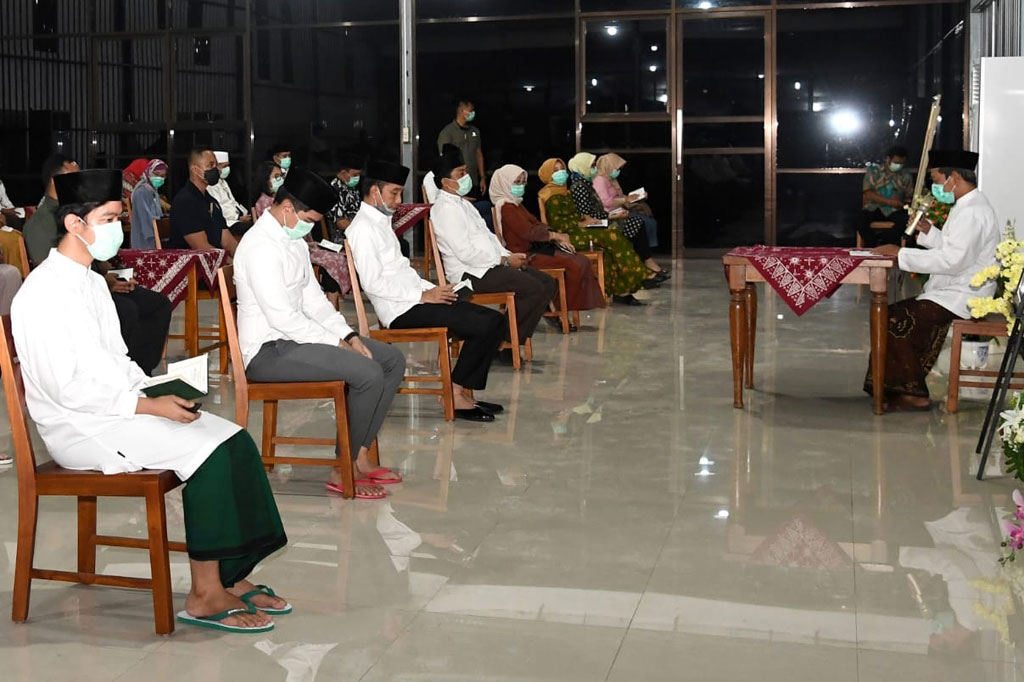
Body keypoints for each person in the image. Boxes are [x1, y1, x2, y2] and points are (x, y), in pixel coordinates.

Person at [12, 169, 289, 633]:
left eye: (118, 216)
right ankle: (204, 594)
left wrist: (156, 389)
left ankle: (230, 572)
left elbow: (117, 360)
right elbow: (65, 387)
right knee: (210, 453)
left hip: (117, 409)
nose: (116, 228)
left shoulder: (91, 281)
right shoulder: (41, 292)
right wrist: (145, 406)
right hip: (80, 429)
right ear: (75, 224)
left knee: (235, 438)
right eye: (109, 218)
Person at [234, 168, 406, 499]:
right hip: (267, 352)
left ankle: (359, 455)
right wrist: (337, 344)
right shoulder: (260, 247)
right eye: (309, 219)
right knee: (368, 372)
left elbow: (314, 301)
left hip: (296, 341)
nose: (310, 227)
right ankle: (342, 471)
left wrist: (350, 335)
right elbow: (283, 317)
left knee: (390, 360)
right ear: (287, 208)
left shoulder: (292, 238)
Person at [347, 159, 505, 423]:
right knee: (484, 325)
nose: (399, 200)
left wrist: (435, 289)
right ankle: (454, 395)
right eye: (394, 193)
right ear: (375, 191)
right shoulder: (362, 228)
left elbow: (403, 272)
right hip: (399, 310)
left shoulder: (380, 222)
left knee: (493, 321)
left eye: (399, 193)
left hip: (414, 300)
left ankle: (461, 391)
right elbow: (373, 283)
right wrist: (423, 296)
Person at [868, 150, 998, 411]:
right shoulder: (966, 206)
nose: (935, 187)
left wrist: (901, 254)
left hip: (964, 295)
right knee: (891, 315)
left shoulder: (972, 211)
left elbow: (952, 261)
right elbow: (955, 249)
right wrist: (929, 232)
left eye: (937, 181)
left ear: (955, 178)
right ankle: (896, 387)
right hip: (953, 289)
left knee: (895, 320)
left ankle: (914, 393)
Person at [430, 146, 557, 358]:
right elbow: (465, 253)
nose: (466, 177)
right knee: (533, 288)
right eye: (460, 173)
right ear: (445, 181)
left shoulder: (464, 205)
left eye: (465, 172)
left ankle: (504, 340)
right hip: (470, 274)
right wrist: (505, 261)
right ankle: (501, 343)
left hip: (490, 265)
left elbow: (489, 239)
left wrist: (508, 255)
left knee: (547, 283)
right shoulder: (444, 209)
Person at [489, 164, 605, 328]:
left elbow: (537, 224)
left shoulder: (515, 204)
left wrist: (556, 237)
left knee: (578, 260)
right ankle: (556, 310)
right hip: (523, 255)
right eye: (516, 182)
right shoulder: (506, 207)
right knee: (576, 263)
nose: (520, 186)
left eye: (523, 182)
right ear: (505, 183)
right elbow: (527, 232)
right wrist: (554, 235)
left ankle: (555, 308)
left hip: (535, 248)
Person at [538, 157, 647, 305]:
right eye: (555, 171)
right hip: (566, 236)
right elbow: (558, 224)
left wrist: (585, 221)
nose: (561, 173)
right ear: (547, 174)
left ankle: (621, 290)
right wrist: (581, 223)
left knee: (607, 250)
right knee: (612, 236)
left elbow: (578, 215)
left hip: (577, 230)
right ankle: (637, 272)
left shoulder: (565, 191)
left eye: (562, 169)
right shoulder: (548, 194)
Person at [568, 153, 667, 285]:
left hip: (603, 219)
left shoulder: (585, 184)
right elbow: (587, 214)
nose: (594, 168)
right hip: (595, 225)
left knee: (636, 224)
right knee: (627, 230)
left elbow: (594, 210)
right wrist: (611, 216)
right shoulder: (581, 186)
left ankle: (641, 272)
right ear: (582, 167)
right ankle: (640, 273)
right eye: (591, 166)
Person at [169, 148, 239, 255]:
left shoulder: (209, 200)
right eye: (211, 165)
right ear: (195, 170)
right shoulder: (185, 202)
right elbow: (202, 248)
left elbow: (227, 241)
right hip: (192, 266)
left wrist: (242, 259)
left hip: (215, 260)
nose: (216, 170)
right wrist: (231, 264)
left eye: (216, 165)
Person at [594, 153, 660, 250]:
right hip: (610, 214)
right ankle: (645, 255)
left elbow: (620, 197)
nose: (618, 171)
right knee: (643, 222)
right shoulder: (600, 180)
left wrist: (637, 197)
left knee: (648, 220)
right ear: (609, 166)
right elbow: (606, 202)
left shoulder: (611, 179)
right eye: (617, 168)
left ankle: (645, 253)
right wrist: (626, 199)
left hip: (620, 210)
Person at [24, 153, 79, 268]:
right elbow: (46, 273)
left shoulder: (76, 213)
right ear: (55, 181)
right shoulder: (39, 223)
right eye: (73, 178)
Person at [860, 145, 913, 247]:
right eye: (896, 163)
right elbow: (868, 193)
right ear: (888, 159)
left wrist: (903, 204)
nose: (898, 166)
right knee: (860, 220)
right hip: (875, 208)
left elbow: (909, 197)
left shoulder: (906, 175)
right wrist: (889, 201)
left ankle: (885, 242)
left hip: (895, 210)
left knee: (906, 221)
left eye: (901, 164)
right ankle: (873, 245)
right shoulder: (874, 171)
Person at [209, 151, 253, 238]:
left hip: (236, 219)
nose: (227, 168)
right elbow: (220, 207)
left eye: (228, 165)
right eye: (224, 166)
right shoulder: (211, 185)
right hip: (228, 222)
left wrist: (243, 214)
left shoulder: (223, 182)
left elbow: (232, 201)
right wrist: (238, 218)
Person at [326, 151, 364, 241]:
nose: (357, 178)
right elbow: (342, 223)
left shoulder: (351, 188)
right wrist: (364, 230)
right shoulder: (333, 191)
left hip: (359, 233)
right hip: (343, 239)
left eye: (359, 174)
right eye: (355, 175)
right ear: (343, 173)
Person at [129, 158, 167, 249]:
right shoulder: (141, 192)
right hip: (144, 243)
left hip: (155, 240)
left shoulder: (153, 191)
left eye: (163, 176)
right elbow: (146, 221)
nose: (159, 178)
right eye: (156, 174)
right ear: (149, 172)